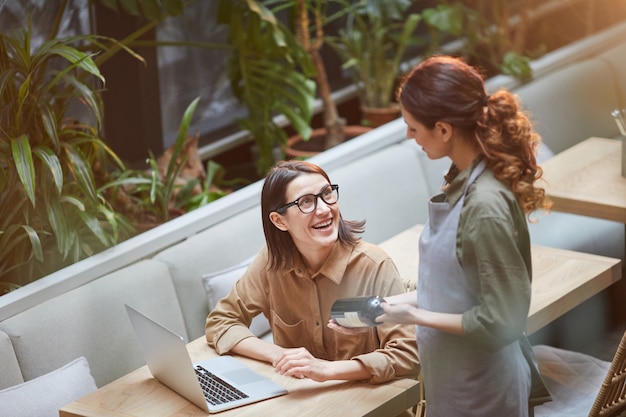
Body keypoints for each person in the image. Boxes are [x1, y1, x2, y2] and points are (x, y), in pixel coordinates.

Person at [376, 56, 552, 416]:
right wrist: (396, 306)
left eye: (412, 128)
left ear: (443, 129)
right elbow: (455, 289)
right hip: (455, 379)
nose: (410, 137)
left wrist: (415, 318)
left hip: (483, 391)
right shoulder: (462, 178)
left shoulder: (484, 205)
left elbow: (502, 321)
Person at [205, 160, 419, 384]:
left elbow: (407, 355)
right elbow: (222, 320)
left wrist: (327, 370)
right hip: (300, 399)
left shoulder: (373, 265)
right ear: (279, 221)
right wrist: (279, 355)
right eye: (306, 202)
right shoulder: (271, 261)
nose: (325, 209)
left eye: (327, 193)